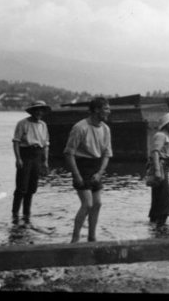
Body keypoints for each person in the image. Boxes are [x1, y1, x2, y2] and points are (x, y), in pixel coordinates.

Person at [64, 96, 112, 243]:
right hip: (81, 165)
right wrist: (77, 175)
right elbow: (69, 153)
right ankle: (75, 238)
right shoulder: (80, 127)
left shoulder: (105, 129)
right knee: (87, 204)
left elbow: (106, 154)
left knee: (97, 204)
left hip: (96, 167)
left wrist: (100, 173)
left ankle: (92, 237)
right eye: (106, 108)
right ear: (96, 110)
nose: (109, 112)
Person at [11, 100, 51, 224]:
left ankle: (26, 214)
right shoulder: (22, 123)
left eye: (41, 110)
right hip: (26, 155)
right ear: (32, 111)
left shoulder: (43, 125)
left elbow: (45, 145)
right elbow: (16, 142)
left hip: (37, 156)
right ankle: (15, 215)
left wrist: (45, 162)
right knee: (21, 187)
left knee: (32, 187)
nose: (39, 112)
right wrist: (18, 159)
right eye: (36, 109)